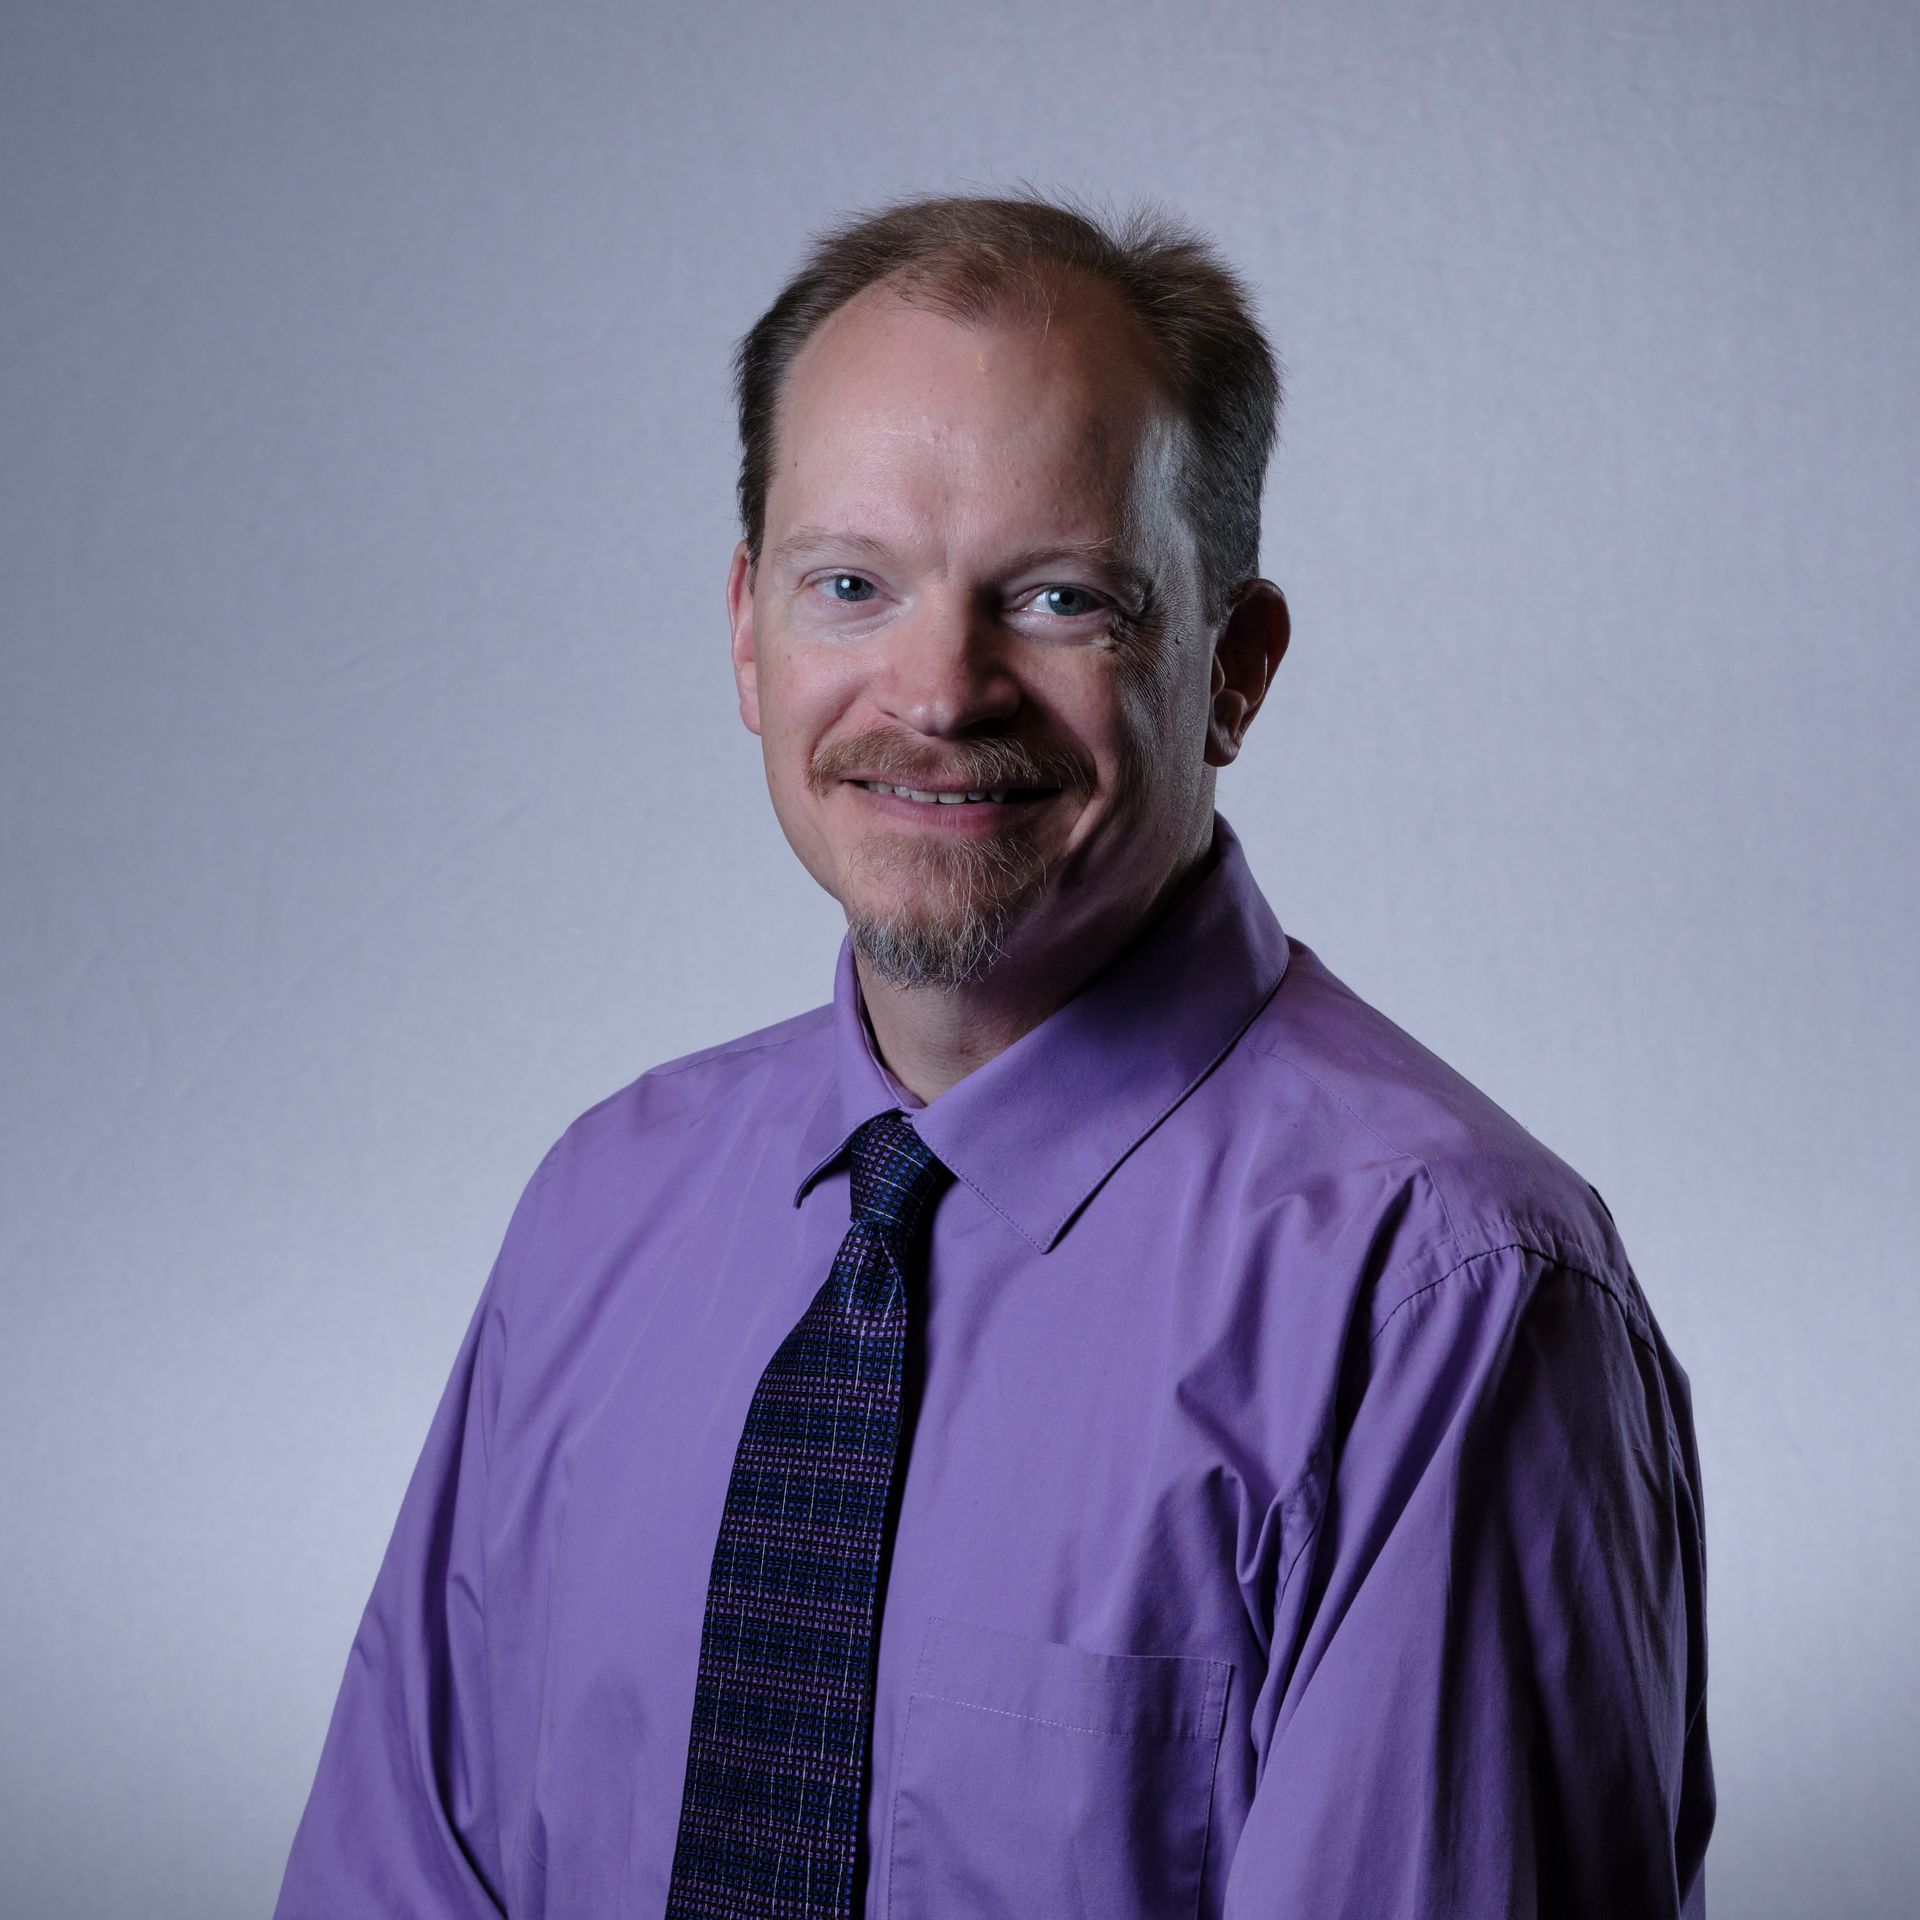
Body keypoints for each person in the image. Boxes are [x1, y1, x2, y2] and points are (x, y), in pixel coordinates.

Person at [272, 190, 1714, 1919]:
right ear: (749, 629)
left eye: (1054, 597)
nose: (937, 690)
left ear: (1233, 669)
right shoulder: (600, 1213)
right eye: (851, 585)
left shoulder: (1445, 1306)